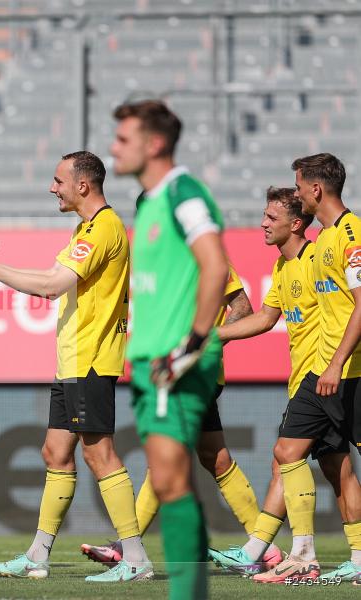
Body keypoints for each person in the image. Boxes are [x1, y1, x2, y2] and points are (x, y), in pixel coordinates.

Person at [0, 151, 152, 582]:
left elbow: (50, 285)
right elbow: (52, 279)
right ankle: (38, 555)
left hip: (92, 360)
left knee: (100, 456)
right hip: (72, 362)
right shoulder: (86, 228)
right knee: (55, 453)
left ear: (82, 185)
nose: (51, 187)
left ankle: (135, 559)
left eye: (58, 180)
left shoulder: (104, 228)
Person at [110, 100, 230, 600]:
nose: (114, 147)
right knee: (169, 481)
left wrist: (190, 345)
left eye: (122, 138)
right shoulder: (153, 200)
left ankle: (189, 593)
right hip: (151, 361)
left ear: (153, 144)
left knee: (172, 481)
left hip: (173, 363)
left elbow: (216, 266)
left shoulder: (183, 191)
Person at [81, 266, 273, 569]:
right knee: (215, 457)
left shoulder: (204, 255)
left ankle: (126, 547)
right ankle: (265, 547)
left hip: (194, 376)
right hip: (176, 375)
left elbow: (243, 307)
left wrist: (206, 345)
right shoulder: (161, 257)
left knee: (163, 456)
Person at [249, 154, 361, 584]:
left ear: (316, 189)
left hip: (341, 371)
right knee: (295, 454)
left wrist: (334, 363)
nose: (295, 194)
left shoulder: (348, 233)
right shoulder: (324, 242)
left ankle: (302, 554)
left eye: (298, 187)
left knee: (327, 464)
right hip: (325, 372)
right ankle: (304, 554)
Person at [208, 186, 317, 576]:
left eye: (272, 218)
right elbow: (266, 318)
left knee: (287, 457)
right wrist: (214, 336)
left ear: (296, 223)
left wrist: (335, 364)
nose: (263, 224)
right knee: (294, 462)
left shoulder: (318, 260)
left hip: (325, 376)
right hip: (307, 377)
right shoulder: (283, 267)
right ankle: (263, 550)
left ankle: (296, 555)